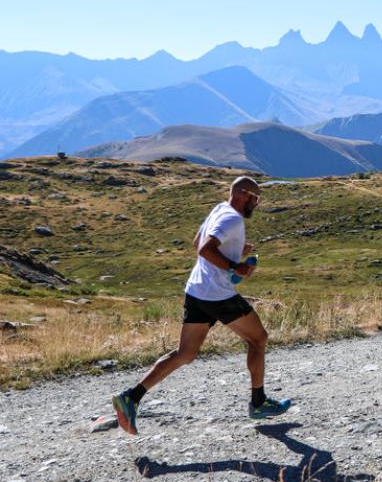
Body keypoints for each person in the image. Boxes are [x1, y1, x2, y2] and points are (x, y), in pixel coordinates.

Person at [112, 176, 291, 435]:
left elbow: (198, 242)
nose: (257, 203)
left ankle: (131, 397)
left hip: (197, 291)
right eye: (255, 198)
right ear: (243, 194)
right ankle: (259, 402)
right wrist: (235, 266)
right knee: (259, 338)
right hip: (217, 294)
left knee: (184, 353)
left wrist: (234, 250)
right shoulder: (232, 218)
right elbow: (205, 249)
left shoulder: (219, 209)